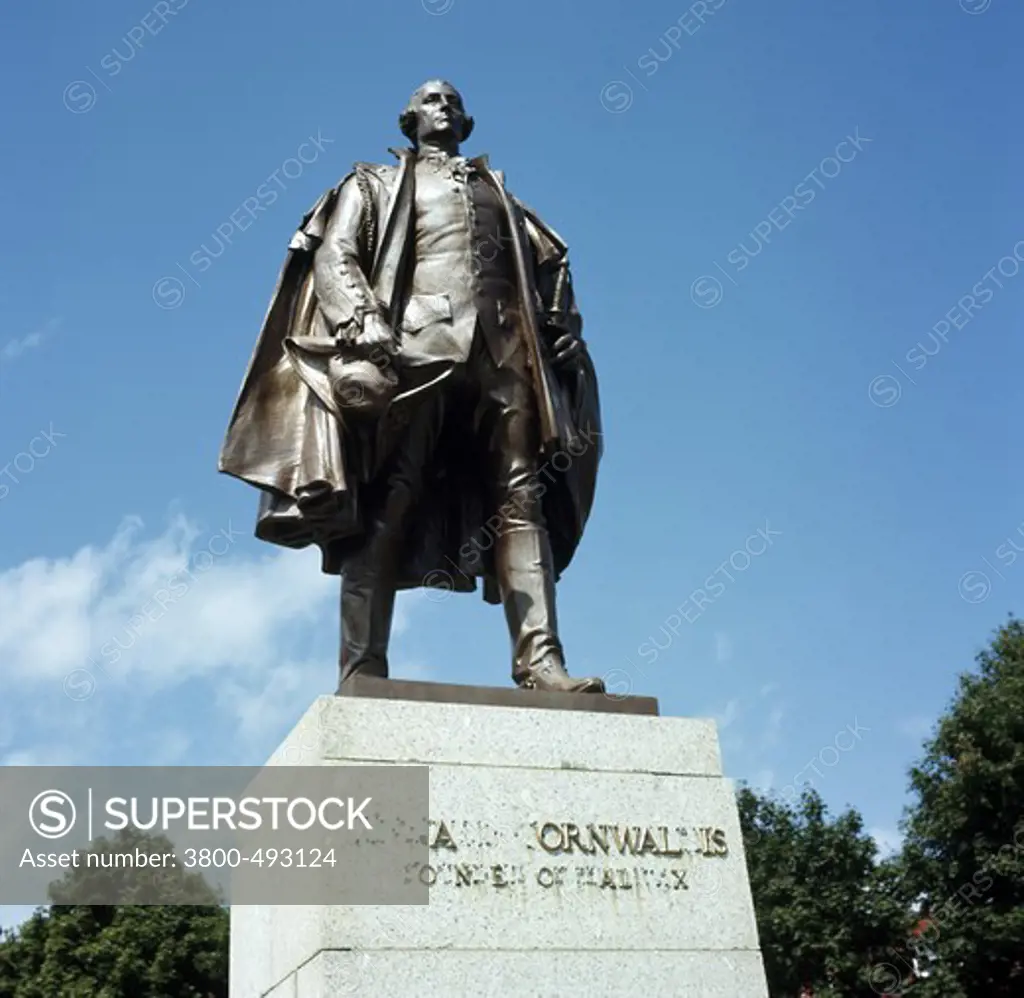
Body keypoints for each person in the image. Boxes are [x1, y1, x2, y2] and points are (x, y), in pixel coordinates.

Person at [219, 80, 605, 694]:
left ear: (468, 121)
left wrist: (563, 330)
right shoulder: (373, 184)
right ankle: (363, 666)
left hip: (505, 357)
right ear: (408, 119)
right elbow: (336, 254)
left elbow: (551, 269)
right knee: (388, 497)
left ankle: (540, 663)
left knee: (521, 499)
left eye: (453, 100)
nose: (443, 106)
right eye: (430, 100)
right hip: (415, 351)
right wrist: (361, 319)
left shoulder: (503, 197)